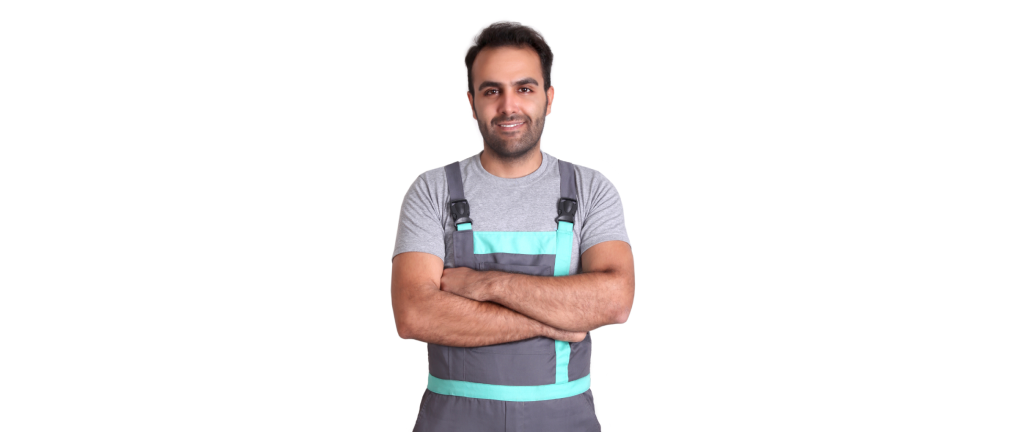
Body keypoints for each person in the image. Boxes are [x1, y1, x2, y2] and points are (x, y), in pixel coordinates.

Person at [390, 21, 635, 432]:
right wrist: (554, 320)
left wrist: (485, 284)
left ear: (548, 98)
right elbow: (414, 313)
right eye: (492, 91)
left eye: (524, 88)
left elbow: (614, 301)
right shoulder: (432, 190)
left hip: (563, 420)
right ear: (472, 103)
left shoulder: (591, 189)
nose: (508, 106)